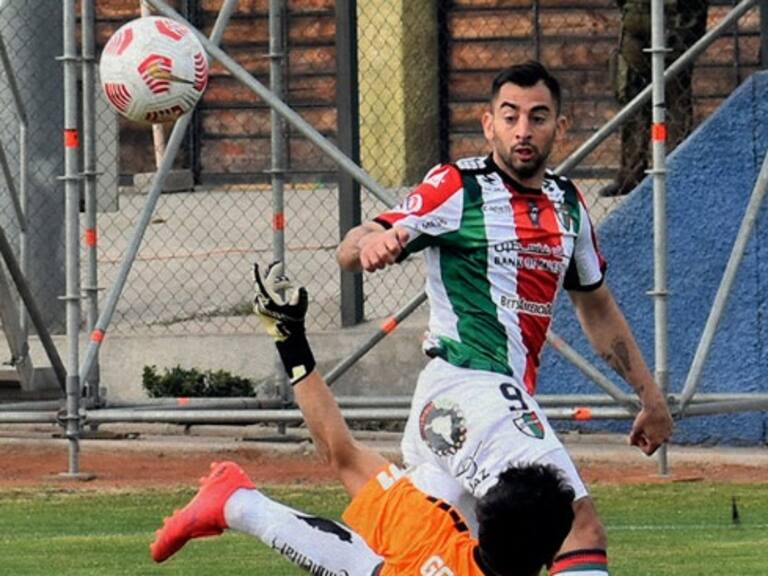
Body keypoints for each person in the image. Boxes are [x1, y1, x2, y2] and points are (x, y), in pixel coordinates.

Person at [336, 61, 674, 576]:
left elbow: (597, 306)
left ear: (560, 128)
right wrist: (370, 244)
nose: (523, 130)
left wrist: (649, 396)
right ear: (487, 122)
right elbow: (355, 243)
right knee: (574, 526)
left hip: (459, 406)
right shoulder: (458, 187)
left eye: (538, 117)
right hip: (471, 384)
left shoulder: (568, 206)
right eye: (510, 116)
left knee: (442, 559)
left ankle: (241, 506)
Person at [150, 262, 576, 576]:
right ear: (552, 555)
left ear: (481, 518)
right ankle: (239, 504)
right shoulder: (430, 525)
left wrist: (292, 342)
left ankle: (239, 504)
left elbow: (343, 456)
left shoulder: (430, 525)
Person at [600, 0, 709, 197]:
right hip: (638, 17)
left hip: (677, 20)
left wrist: (688, 17)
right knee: (633, 95)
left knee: (675, 96)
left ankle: (677, 172)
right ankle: (630, 175)